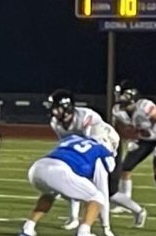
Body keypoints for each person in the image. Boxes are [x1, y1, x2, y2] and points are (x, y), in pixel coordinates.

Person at [45, 89, 146, 228]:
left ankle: (138, 211)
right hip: (84, 149)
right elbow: (66, 143)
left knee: (110, 193)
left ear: (66, 108)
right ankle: (73, 218)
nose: (53, 112)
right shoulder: (56, 122)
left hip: (108, 148)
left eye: (56, 108)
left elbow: (92, 144)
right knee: (74, 179)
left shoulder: (86, 116)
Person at [17, 124, 124, 236]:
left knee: (50, 193)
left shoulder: (73, 138)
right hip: (60, 171)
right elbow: (102, 190)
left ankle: (28, 229)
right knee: (97, 197)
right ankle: (84, 234)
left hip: (37, 168)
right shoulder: (101, 151)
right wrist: (106, 228)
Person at [112, 81, 156, 216]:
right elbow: (118, 128)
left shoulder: (145, 107)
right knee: (125, 169)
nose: (119, 98)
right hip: (144, 140)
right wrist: (131, 138)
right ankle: (126, 202)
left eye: (127, 102)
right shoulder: (118, 110)